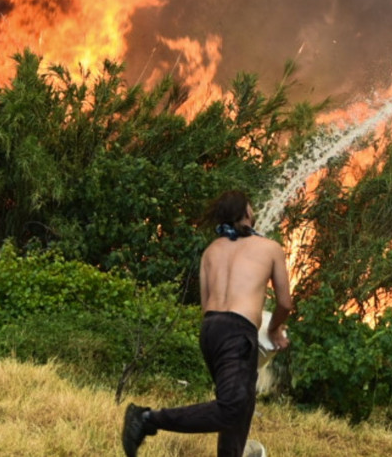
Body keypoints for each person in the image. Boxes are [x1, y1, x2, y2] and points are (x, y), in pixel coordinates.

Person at [122, 190, 292, 457]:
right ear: (247, 212)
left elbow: (206, 304)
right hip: (238, 333)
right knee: (232, 408)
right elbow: (285, 304)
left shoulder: (210, 251)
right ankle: (146, 419)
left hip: (211, 331)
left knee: (240, 407)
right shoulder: (270, 248)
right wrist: (274, 330)